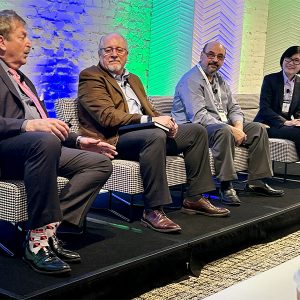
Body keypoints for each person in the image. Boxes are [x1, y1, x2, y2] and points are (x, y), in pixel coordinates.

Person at [0, 10, 117, 275]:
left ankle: (49, 230)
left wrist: (79, 139)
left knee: (99, 163)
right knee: (44, 142)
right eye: (23, 36)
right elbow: (34, 124)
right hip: (9, 148)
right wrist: (26, 125)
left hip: (39, 148)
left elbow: (44, 120)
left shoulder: (23, 79)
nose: (29, 43)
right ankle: (37, 245)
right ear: (2, 41)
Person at [77, 33, 230, 234]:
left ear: (126, 54)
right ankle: (153, 210)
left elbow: (148, 109)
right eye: (108, 50)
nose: (114, 54)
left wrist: (168, 121)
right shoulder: (91, 76)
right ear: (100, 53)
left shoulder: (134, 79)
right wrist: (151, 121)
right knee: (155, 135)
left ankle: (194, 198)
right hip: (115, 137)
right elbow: (106, 116)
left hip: (144, 132)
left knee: (196, 131)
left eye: (119, 50)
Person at [172, 41, 284, 206]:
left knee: (258, 129)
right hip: (196, 130)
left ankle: (257, 181)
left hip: (222, 124)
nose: (215, 60)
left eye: (220, 57)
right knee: (223, 131)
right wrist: (230, 129)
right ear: (201, 55)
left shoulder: (219, 79)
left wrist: (238, 126)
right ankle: (226, 185)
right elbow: (198, 116)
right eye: (211, 55)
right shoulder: (191, 80)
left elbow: (234, 107)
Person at [254, 46, 300, 157]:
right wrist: (285, 122)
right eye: (288, 58)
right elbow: (265, 108)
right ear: (282, 60)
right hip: (267, 124)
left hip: (286, 126)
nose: (291, 63)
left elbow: (298, 111)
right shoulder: (270, 79)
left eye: (296, 60)